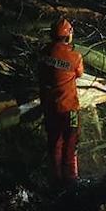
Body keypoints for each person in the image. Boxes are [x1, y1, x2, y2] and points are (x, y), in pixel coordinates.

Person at [38, 18, 85, 186]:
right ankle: (72, 183)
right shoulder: (75, 56)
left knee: (54, 146)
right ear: (69, 35)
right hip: (69, 108)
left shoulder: (43, 54)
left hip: (50, 108)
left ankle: (55, 182)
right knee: (70, 145)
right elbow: (79, 74)